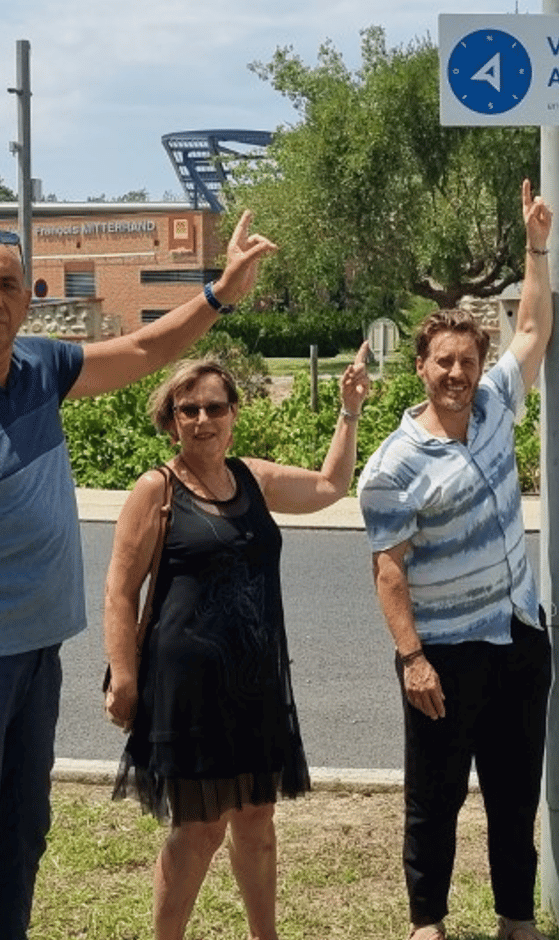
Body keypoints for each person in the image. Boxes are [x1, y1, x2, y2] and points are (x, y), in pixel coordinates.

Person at [0, 215, 276, 940]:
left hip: (34, 660)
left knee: (17, 852)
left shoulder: (38, 368)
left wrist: (220, 292)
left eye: (7, 285)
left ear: (28, 299)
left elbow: (145, 348)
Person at [102, 345, 372, 940]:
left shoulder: (252, 478)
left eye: (214, 408)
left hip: (256, 682)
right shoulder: (157, 489)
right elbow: (121, 590)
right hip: (188, 689)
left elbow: (329, 486)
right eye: (188, 410)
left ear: (233, 413)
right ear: (170, 420)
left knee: (257, 818)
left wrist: (348, 412)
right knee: (198, 827)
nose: (202, 420)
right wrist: (122, 677)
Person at [357, 180, 555, 940]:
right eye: (442, 362)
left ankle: (515, 918)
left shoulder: (497, 406)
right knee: (433, 795)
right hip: (442, 651)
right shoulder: (394, 466)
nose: (456, 373)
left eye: (467, 361)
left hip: (516, 636)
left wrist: (535, 245)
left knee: (514, 792)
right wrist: (411, 658)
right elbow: (388, 570)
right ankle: (427, 923)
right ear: (420, 367)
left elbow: (532, 328)